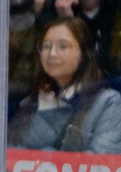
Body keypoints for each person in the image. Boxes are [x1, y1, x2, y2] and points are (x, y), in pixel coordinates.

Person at [11, 13, 121, 154]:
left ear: (82, 54)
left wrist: (45, 159)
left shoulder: (108, 103)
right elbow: (9, 156)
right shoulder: (30, 104)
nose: (52, 53)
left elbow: (101, 162)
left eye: (63, 46)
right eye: (46, 46)